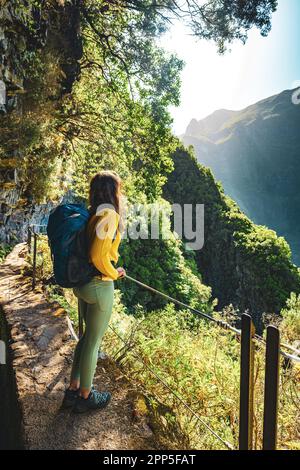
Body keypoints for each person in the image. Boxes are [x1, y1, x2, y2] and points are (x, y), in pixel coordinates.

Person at [62, 171, 126, 413]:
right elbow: (98, 255)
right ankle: (86, 396)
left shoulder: (93, 214)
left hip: (84, 284)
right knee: (93, 341)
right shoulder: (109, 214)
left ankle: (73, 389)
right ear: (113, 192)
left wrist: (109, 268)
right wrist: (113, 273)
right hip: (99, 285)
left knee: (85, 339)